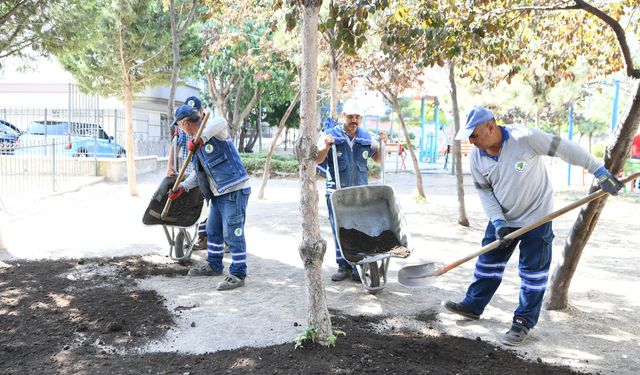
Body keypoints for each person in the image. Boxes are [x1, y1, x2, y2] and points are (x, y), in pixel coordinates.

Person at [443, 106, 623, 346]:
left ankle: (523, 322)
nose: (471, 141)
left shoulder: (524, 138)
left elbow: (565, 149)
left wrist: (599, 171)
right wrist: (498, 223)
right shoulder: (476, 156)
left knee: (533, 275)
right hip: (503, 219)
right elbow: (485, 194)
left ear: (490, 126)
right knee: (488, 264)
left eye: (473, 134)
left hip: (537, 219)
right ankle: (474, 305)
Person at [168, 104, 251, 291]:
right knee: (213, 230)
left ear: (185, 123)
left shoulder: (213, 130)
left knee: (232, 232)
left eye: (180, 125)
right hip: (217, 193)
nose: (181, 129)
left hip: (234, 189)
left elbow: (220, 122)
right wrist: (182, 187)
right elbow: (198, 173)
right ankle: (214, 264)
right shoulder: (195, 145)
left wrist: (201, 138)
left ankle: (238, 273)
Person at [314, 102, 385, 282]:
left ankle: (358, 267)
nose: (354, 120)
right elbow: (317, 159)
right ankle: (343, 266)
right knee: (339, 229)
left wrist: (382, 146)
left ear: (361, 119)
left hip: (359, 193)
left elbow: (378, 161)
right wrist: (326, 146)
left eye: (357, 117)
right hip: (337, 192)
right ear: (342, 116)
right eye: (350, 116)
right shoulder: (331, 135)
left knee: (360, 229)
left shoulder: (366, 137)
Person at [167, 96, 208, 250]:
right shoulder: (183, 129)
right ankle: (199, 235)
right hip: (189, 173)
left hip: (204, 174)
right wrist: (170, 165)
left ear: (201, 111)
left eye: (195, 112)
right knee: (193, 206)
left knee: (205, 207)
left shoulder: (206, 127)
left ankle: (204, 236)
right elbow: (175, 146)